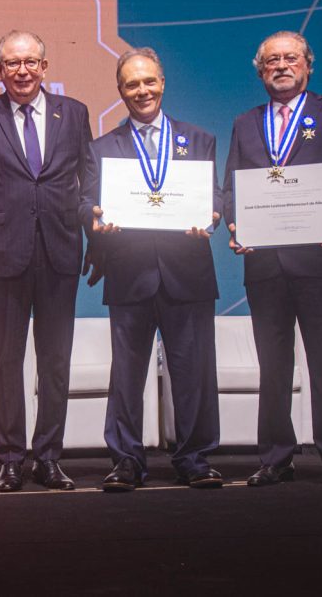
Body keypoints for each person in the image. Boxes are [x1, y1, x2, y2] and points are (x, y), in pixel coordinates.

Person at [223, 30, 322, 490]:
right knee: (273, 367)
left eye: (291, 57)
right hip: (266, 265)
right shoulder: (245, 123)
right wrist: (236, 225)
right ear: (260, 70)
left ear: (308, 65)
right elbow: (233, 187)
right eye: (271, 59)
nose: (281, 65)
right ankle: (275, 458)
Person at [0, 30, 92, 492]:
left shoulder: (73, 114)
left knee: (56, 361)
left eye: (31, 61)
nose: (23, 71)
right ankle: (10, 456)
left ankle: (49, 457)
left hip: (59, 253)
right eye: (12, 63)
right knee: (5, 361)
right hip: (1, 256)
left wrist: (101, 238)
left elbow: (88, 183)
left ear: (45, 66)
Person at [79, 48, 223, 491]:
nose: (142, 91)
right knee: (126, 375)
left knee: (194, 371)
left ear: (163, 82)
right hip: (129, 272)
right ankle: (126, 461)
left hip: (188, 271)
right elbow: (85, 200)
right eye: (131, 84)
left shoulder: (198, 139)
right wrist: (95, 218)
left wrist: (213, 214)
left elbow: (214, 195)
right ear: (120, 91)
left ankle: (195, 458)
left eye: (149, 82)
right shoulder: (102, 148)